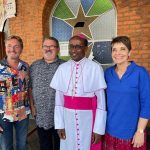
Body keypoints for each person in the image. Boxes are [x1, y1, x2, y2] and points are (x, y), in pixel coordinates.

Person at [50, 34, 107, 150]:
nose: (74, 50)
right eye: (71, 46)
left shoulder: (95, 68)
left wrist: (98, 129)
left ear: (86, 48)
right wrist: (59, 125)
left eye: (78, 46)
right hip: (67, 118)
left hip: (88, 119)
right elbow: (59, 101)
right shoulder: (62, 68)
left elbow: (101, 102)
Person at [103, 36, 150, 150]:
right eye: (114, 49)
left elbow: (146, 104)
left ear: (130, 52)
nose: (118, 53)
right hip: (109, 131)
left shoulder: (140, 73)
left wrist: (140, 131)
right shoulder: (107, 73)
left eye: (122, 49)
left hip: (132, 134)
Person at [29, 37, 65, 150]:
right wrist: (32, 106)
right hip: (41, 114)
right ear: (42, 48)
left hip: (60, 116)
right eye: (45, 46)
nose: (48, 49)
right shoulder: (34, 66)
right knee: (44, 145)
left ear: (58, 49)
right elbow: (30, 88)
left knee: (61, 145)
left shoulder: (65, 66)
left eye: (52, 46)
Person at [0, 35, 30, 150]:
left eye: (16, 46)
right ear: (5, 47)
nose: (12, 49)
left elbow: (29, 88)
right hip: (3, 114)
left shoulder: (25, 66)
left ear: (21, 49)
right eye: (9, 46)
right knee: (6, 146)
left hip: (23, 112)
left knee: (22, 144)